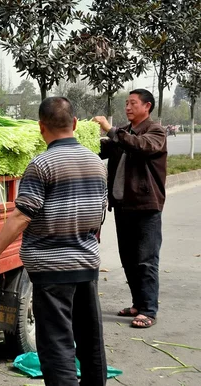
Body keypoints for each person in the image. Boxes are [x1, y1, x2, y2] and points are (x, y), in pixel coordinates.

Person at [0, 97, 108, 386]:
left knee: (56, 343)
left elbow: (22, 216)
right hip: (86, 263)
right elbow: (99, 215)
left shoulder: (42, 164)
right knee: (89, 338)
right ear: (73, 124)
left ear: (40, 127)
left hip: (52, 269)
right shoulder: (96, 162)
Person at [93, 89, 167, 329]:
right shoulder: (124, 133)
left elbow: (142, 146)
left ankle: (148, 310)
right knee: (129, 259)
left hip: (146, 207)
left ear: (147, 106)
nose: (128, 107)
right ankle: (138, 303)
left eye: (133, 103)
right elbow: (102, 150)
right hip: (124, 207)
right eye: (126, 103)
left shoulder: (155, 131)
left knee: (146, 260)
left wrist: (112, 130)